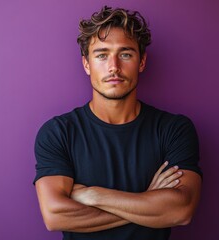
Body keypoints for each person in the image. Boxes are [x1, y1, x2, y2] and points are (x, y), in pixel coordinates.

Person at [33, 5, 202, 240]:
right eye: (102, 55)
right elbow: (55, 216)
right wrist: (148, 199)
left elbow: (181, 210)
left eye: (125, 54)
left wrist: (95, 195)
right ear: (86, 64)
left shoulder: (173, 129)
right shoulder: (59, 133)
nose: (114, 66)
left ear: (141, 62)